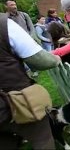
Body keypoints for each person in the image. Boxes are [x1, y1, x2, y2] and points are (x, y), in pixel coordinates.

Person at [0, 13, 60, 149]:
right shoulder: (4, 24)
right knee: (42, 136)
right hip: (14, 101)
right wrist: (55, 60)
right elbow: (39, 60)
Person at [3, 0, 39, 77]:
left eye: (15, 4)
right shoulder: (4, 19)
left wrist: (32, 37)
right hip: (14, 43)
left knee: (30, 56)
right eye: (11, 5)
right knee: (18, 59)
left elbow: (31, 27)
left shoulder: (24, 15)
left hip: (27, 40)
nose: (14, 6)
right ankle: (24, 73)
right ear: (6, 6)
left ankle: (34, 70)